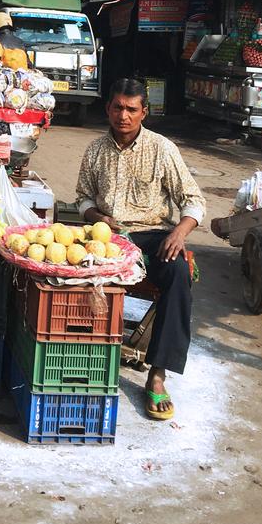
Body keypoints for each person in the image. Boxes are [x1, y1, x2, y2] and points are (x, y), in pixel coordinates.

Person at [75, 77, 205, 421]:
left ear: (143, 112)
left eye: (131, 109)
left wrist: (180, 232)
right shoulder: (95, 150)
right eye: (117, 107)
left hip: (154, 236)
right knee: (73, 271)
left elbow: (193, 201)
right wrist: (96, 215)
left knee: (178, 274)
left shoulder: (162, 148)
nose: (123, 115)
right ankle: (81, 359)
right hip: (110, 235)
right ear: (108, 108)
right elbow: (83, 198)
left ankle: (158, 372)